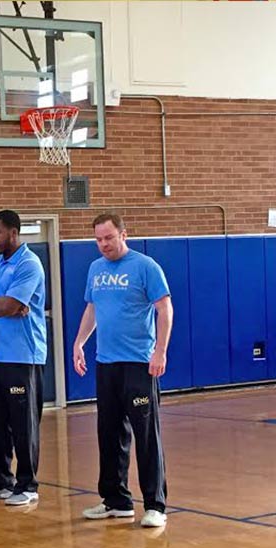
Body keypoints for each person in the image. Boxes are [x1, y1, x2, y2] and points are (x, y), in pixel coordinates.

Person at [73, 213, 173, 528]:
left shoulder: (145, 267)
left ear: (123, 235)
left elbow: (164, 308)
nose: (103, 245)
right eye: (99, 240)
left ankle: (155, 505)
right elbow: (92, 308)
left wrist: (160, 351)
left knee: (146, 436)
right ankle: (116, 500)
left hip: (139, 364)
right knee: (109, 432)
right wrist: (79, 343)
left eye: (109, 238)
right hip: (106, 364)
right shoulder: (95, 269)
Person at [0, 209, 47, 507]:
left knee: (23, 422)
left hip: (24, 356)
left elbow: (11, 305)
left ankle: (27, 484)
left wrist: (3, 304)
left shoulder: (29, 264)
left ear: (13, 232)